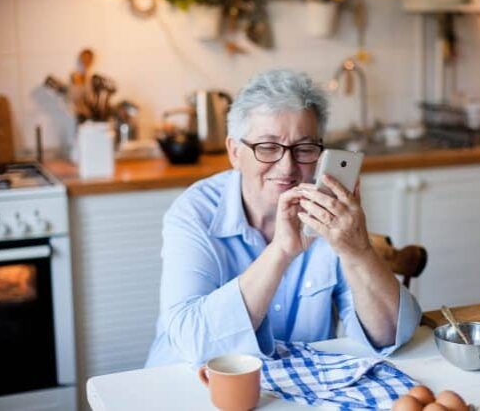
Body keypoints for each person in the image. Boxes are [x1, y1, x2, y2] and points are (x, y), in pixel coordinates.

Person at [145, 70, 421, 368]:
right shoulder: (195, 213)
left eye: (304, 149)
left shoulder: (329, 215)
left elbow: (393, 335)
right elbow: (190, 342)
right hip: (185, 384)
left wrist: (358, 251)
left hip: (292, 388)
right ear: (234, 152)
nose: (287, 167)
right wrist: (280, 251)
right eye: (267, 147)